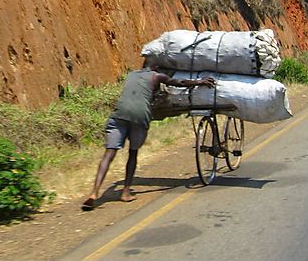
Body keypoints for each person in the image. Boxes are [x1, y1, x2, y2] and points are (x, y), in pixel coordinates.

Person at [81, 64, 215, 211]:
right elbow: (179, 83)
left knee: (109, 154)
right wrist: (199, 82)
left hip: (119, 114)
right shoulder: (156, 76)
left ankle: (94, 193)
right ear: (156, 67)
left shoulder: (131, 74)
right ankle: (125, 192)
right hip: (140, 116)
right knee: (133, 152)